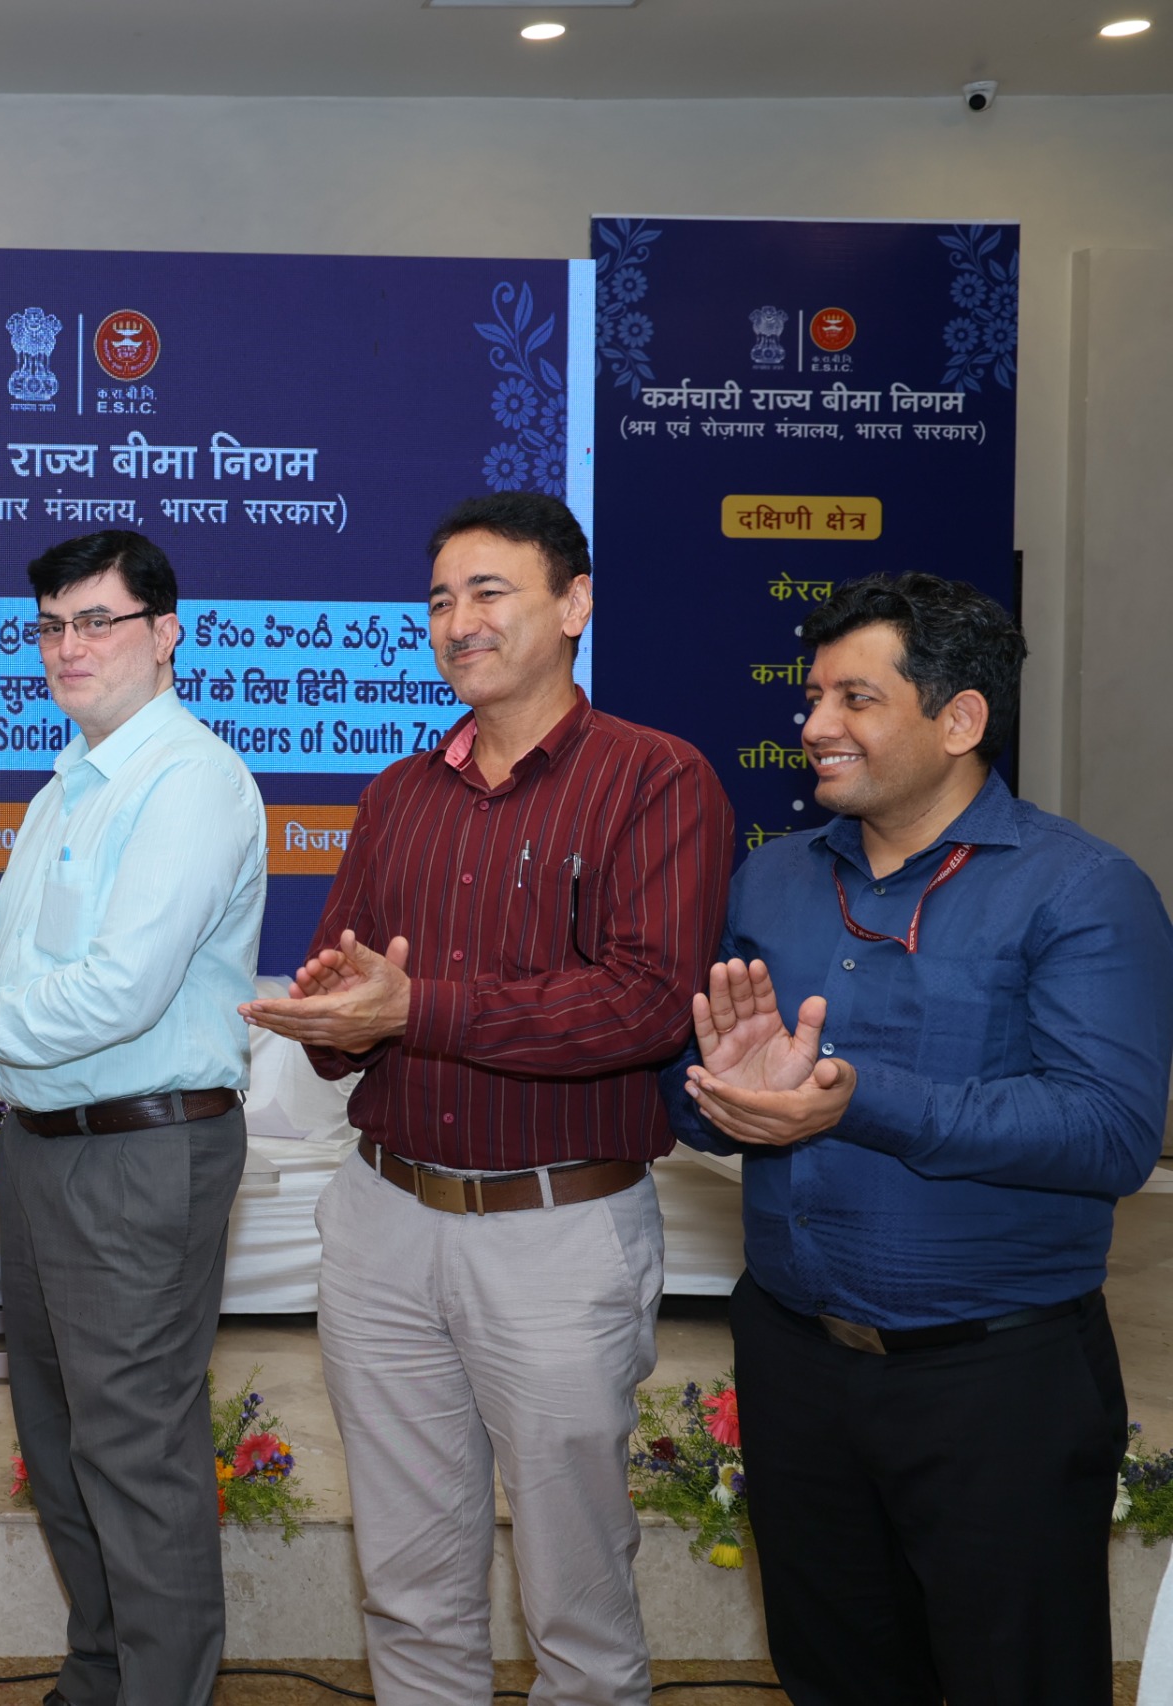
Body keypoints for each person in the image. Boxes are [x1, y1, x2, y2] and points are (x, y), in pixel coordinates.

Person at [244, 491, 732, 1706]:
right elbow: (353, 985)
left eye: (488, 591)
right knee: (408, 1580)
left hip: (556, 1229)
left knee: (576, 1591)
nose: (457, 620)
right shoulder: (397, 794)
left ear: (574, 604)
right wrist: (333, 1019)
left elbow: (641, 1005)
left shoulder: (654, 778)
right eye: (438, 599)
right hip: (383, 1221)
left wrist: (414, 1008)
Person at [664, 573, 1173, 1705]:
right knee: (833, 1674)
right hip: (796, 1363)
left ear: (959, 719)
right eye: (811, 697)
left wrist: (855, 1097)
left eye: (855, 698)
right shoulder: (775, 876)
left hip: (995, 1384)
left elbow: (1108, 1133)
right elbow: (702, 1084)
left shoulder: (1084, 891)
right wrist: (715, 1092)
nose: (815, 725)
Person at [0, 529, 266, 1706]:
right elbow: (10, 959)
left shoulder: (188, 781)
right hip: (48, 1150)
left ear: (165, 631)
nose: (67, 646)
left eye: (96, 619)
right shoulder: (67, 784)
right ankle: (100, 1678)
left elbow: (117, 994)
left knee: (134, 1451)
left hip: (144, 1149)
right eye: (50, 625)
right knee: (63, 1441)